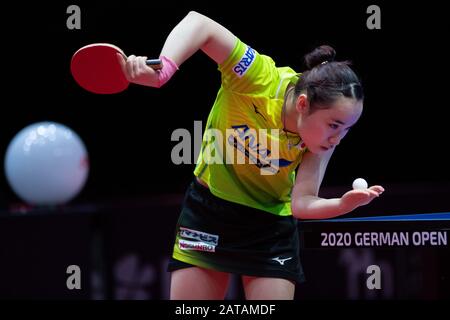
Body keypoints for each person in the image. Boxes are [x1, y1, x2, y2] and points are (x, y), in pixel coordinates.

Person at [118, 11, 385, 300]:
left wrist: (343, 204)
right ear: (304, 104)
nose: (338, 137)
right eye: (334, 125)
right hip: (210, 212)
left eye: (347, 129)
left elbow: (302, 202)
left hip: (270, 230)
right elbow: (200, 24)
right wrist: (164, 69)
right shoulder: (257, 77)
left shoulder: (321, 138)